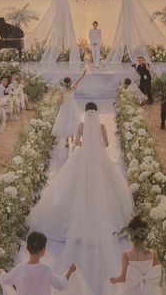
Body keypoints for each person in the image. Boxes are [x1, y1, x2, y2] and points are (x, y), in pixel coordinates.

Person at [28, 102, 134, 295]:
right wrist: (96, 146)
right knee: (105, 189)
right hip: (99, 160)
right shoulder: (101, 127)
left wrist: (86, 144)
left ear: (86, 112)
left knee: (74, 189)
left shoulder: (81, 126)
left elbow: (76, 143)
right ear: (97, 111)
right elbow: (107, 144)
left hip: (83, 159)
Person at [0, 231, 76, 295]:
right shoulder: (46, 270)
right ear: (43, 251)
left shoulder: (19, 268)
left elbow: (5, 280)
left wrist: (1, 272)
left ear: (27, 248)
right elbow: (61, 285)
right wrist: (70, 271)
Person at [107, 215, 163, 295]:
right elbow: (156, 276)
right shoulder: (153, 254)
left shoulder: (126, 255)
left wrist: (115, 280)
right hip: (149, 291)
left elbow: (124, 278)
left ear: (131, 235)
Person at [52, 69, 87, 147]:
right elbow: (78, 80)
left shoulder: (62, 91)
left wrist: (58, 100)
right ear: (70, 82)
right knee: (73, 121)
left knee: (66, 122)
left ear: (64, 84)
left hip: (65, 107)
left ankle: (67, 141)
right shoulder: (72, 88)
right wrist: (83, 73)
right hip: (72, 106)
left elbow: (61, 102)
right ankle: (72, 139)